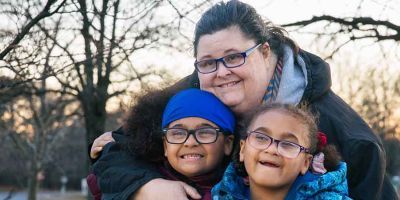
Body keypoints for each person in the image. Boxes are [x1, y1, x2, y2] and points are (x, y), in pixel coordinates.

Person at [91, 1, 397, 199]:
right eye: (208, 62)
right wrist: (146, 187)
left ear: (265, 52)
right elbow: (114, 155)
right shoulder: (190, 95)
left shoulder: (351, 140)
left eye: (234, 57)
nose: (221, 73)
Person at [92, 88, 236, 200]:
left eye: (205, 132)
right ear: (165, 146)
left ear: (227, 144)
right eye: (178, 133)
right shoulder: (131, 186)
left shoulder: (242, 190)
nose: (190, 142)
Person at [212, 104, 351, 199]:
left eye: (288, 144)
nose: (272, 149)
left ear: (305, 162)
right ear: (242, 149)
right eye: (261, 137)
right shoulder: (218, 195)